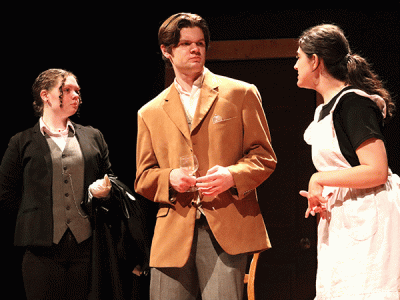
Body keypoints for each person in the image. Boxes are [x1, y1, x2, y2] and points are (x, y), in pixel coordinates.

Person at [135, 13, 277, 300]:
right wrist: (169, 178)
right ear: (166, 51)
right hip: (173, 233)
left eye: (199, 43)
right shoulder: (149, 112)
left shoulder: (240, 93)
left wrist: (232, 176)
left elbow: (264, 156)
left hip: (225, 227)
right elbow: (143, 176)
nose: (195, 49)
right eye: (185, 43)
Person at [0, 69, 125, 299]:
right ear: (45, 95)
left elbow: (111, 180)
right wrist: (33, 217)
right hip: (41, 251)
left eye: (77, 90)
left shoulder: (92, 136)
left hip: (85, 247)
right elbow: (7, 193)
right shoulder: (21, 142)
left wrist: (105, 192)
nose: (75, 95)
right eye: (66, 90)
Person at [295, 24, 400, 299]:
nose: (295, 65)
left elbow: (376, 170)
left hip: (369, 217)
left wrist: (319, 179)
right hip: (343, 218)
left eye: (298, 58)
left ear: (315, 61)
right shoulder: (324, 110)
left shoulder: (353, 103)